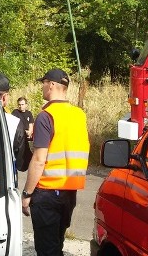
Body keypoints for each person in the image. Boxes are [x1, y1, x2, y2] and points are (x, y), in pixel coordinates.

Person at [21, 68, 89, 256]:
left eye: (43, 83)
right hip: (69, 192)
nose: (42, 87)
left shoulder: (46, 115)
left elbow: (39, 159)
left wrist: (27, 193)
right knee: (56, 246)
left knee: (46, 250)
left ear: (51, 84)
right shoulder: (79, 114)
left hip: (47, 193)